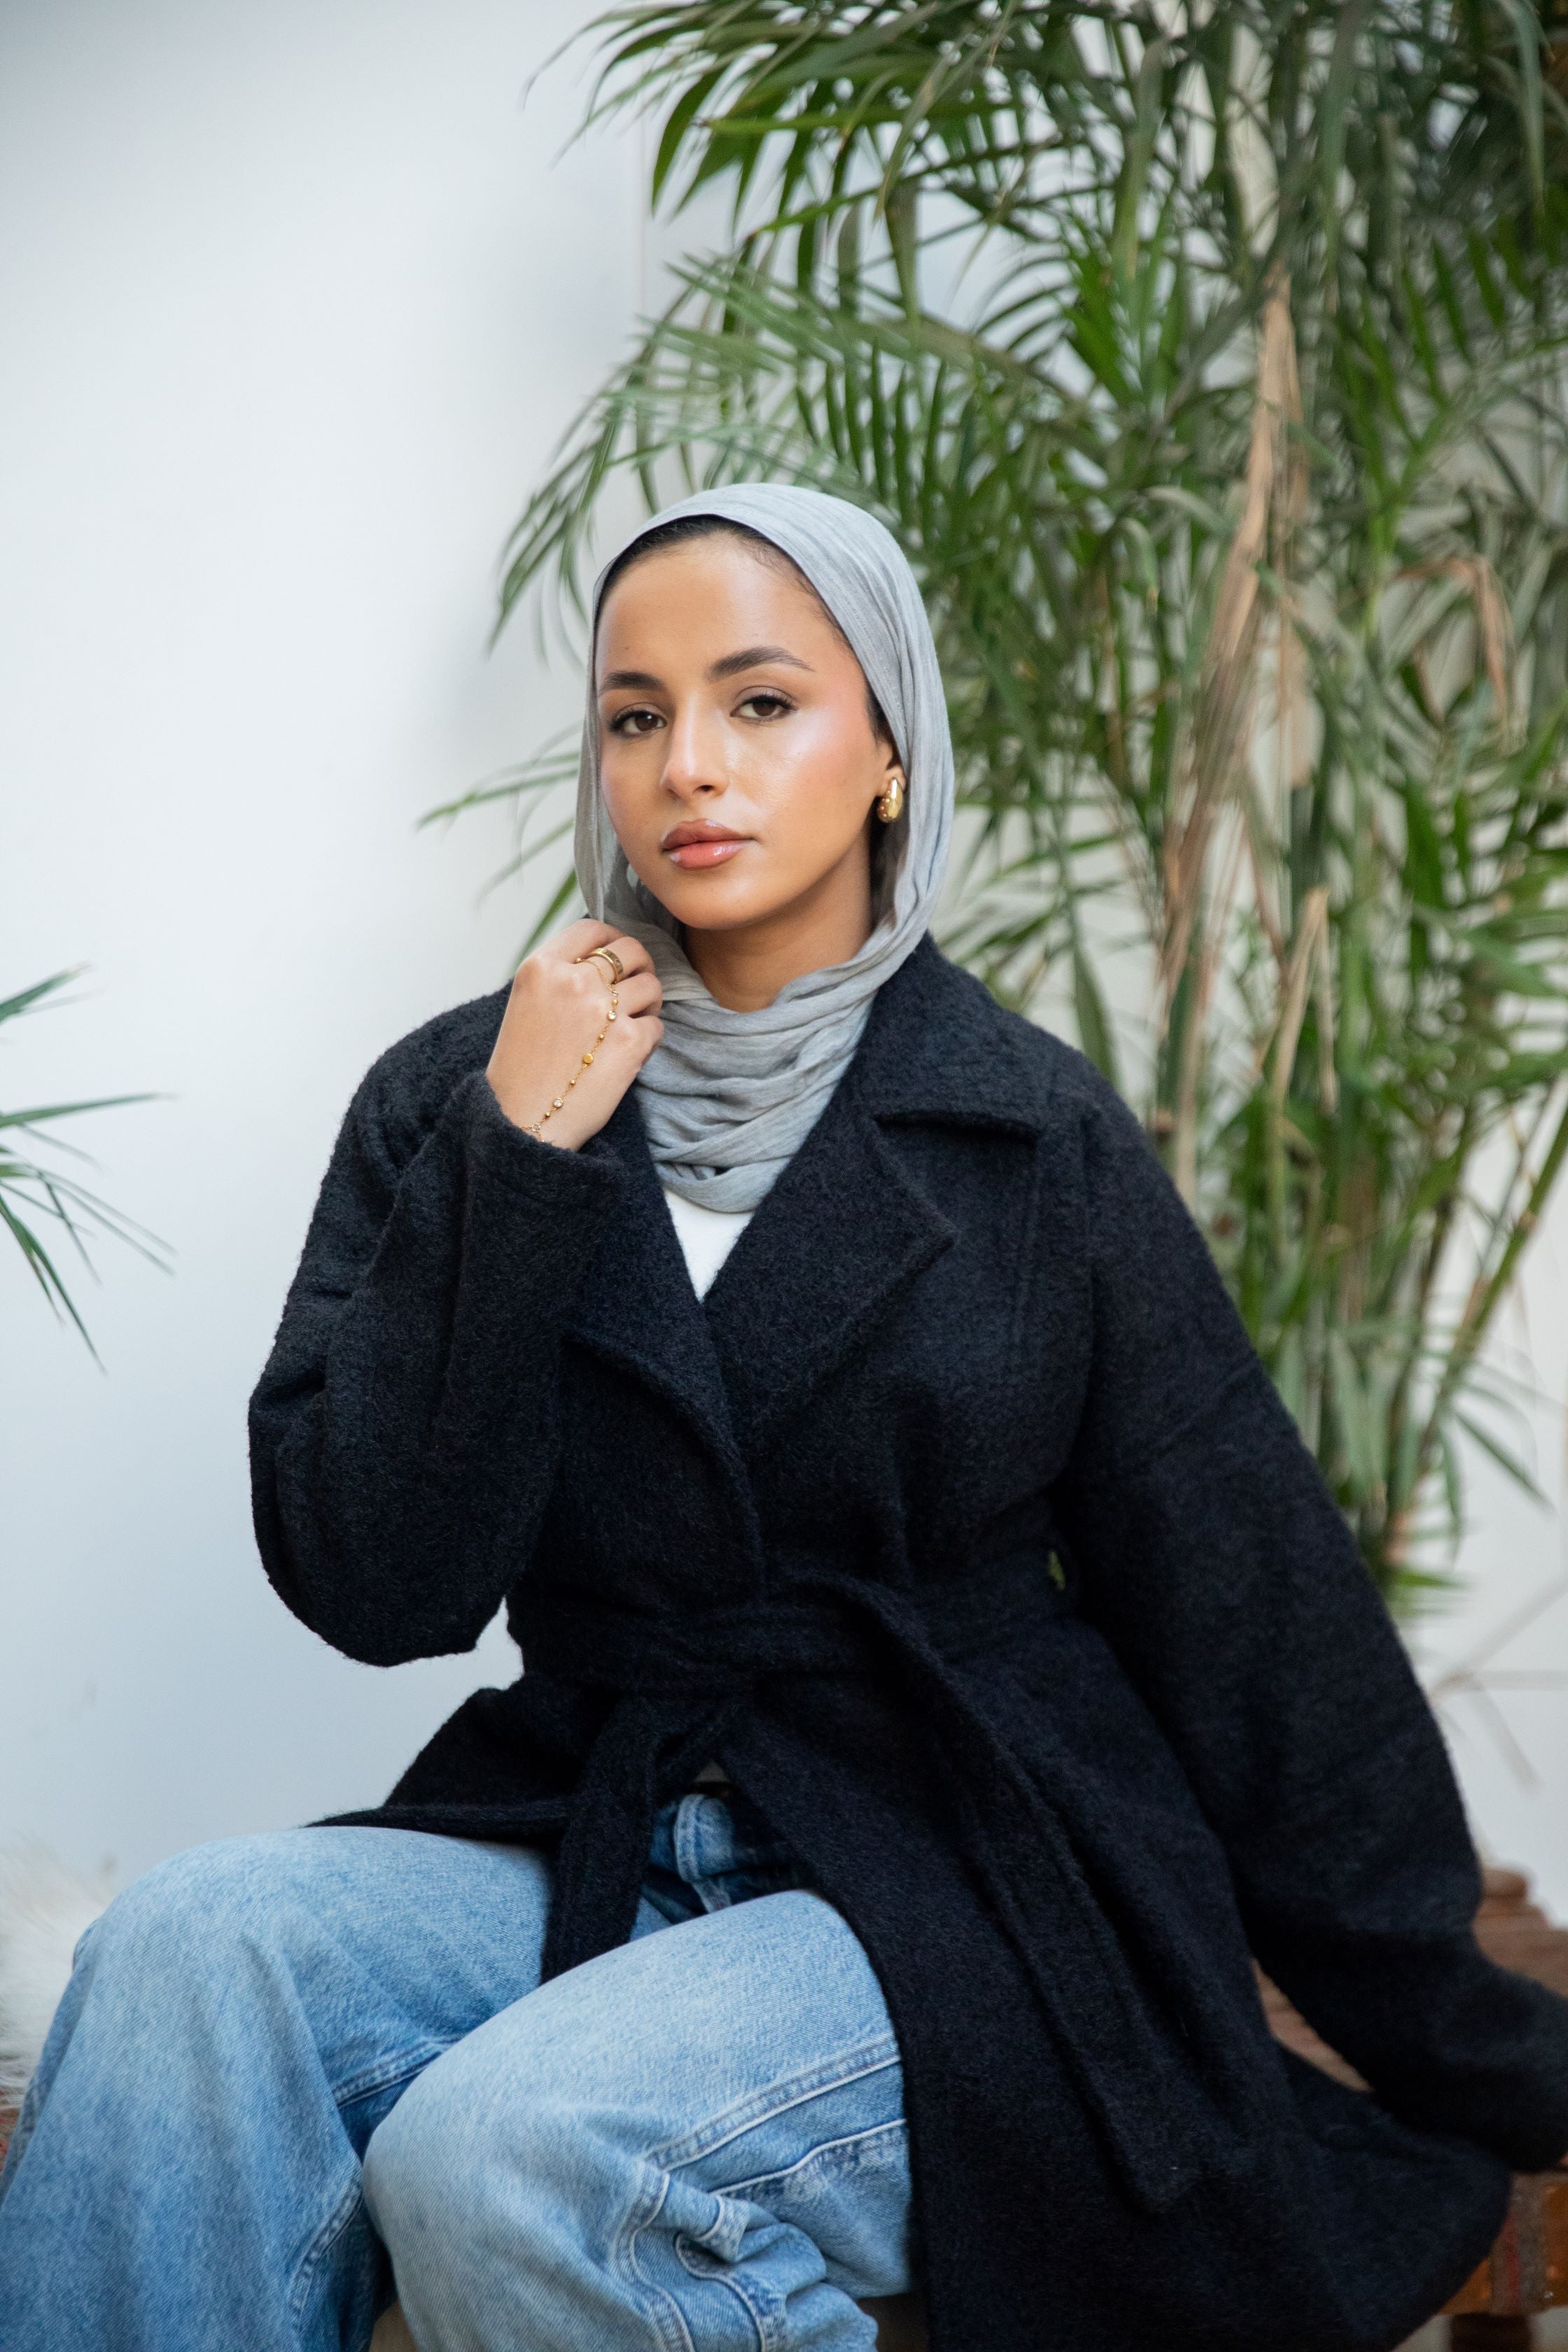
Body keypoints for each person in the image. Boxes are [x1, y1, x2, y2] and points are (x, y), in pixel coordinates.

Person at [1, 484, 1565, 2352]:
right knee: (179, 1947)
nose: (689, 764)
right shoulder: (465, 1099)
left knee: (513, 2151)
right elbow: (378, 1582)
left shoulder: (1029, 1137)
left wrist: (1470, 2048)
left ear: (890, 751)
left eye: (760, 702)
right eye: (635, 714)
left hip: (956, 1874)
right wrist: (519, 1162)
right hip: (590, 1821)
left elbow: (1256, 1617)